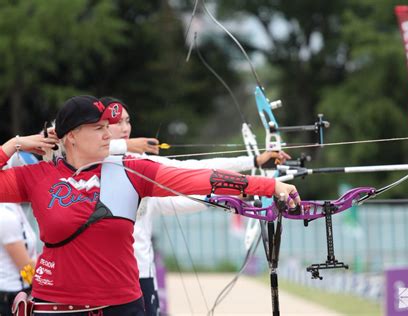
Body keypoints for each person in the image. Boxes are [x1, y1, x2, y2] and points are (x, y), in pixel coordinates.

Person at [0, 95, 300, 315]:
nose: (109, 134)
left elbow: (200, 178)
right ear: (72, 136)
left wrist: (269, 185)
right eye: (98, 128)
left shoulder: (132, 170)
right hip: (55, 306)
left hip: (120, 306)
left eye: (109, 126)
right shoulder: (36, 176)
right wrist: (14, 144)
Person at [100, 97, 290, 316]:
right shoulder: (87, 164)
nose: (125, 128)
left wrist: (248, 170)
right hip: (104, 278)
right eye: (116, 123)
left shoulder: (139, 163)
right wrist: (124, 145)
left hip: (141, 274)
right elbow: (62, 141)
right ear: (100, 128)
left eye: (127, 121)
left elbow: (192, 174)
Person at [0, 153, 38, 316]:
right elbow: (24, 267)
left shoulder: (16, 207)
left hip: (19, 291)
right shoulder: (6, 214)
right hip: (10, 297)